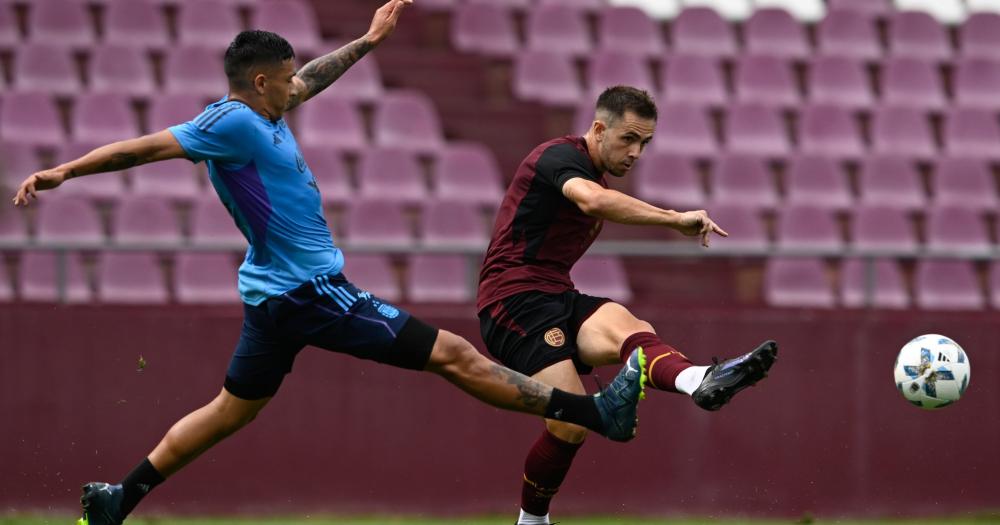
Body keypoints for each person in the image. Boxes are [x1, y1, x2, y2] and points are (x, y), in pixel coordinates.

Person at [10, 3, 647, 524]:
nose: (297, 86)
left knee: (232, 409)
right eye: (285, 78)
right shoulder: (229, 122)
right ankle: (594, 414)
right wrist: (66, 169)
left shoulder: (267, 108)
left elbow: (315, 74)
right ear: (261, 82)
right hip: (308, 291)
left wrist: (368, 40)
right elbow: (143, 148)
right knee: (453, 354)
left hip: (269, 296)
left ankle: (120, 498)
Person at [476, 85, 779, 525]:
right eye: (628, 139)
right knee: (570, 424)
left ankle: (699, 379)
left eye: (645, 143)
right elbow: (592, 201)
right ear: (599, 129)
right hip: (512, 301)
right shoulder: (559, 157)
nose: (636, 152)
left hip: (556, 294)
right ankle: (531, 522)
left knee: (631, 326)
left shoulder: (594, 174)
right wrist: (675, 219)